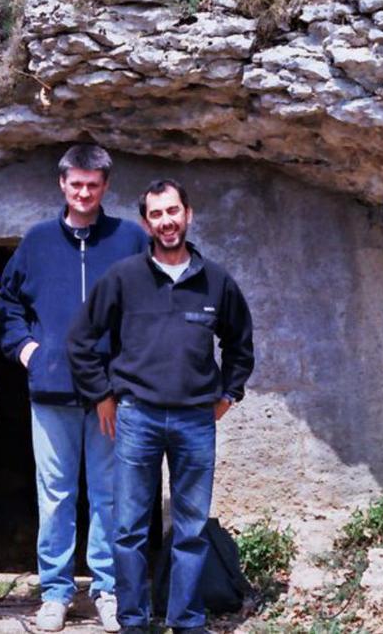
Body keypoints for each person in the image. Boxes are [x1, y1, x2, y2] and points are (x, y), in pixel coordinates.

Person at [66, 179, 254, 634]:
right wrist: (103, 396)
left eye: (173, 211)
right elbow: (81, 342)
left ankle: (186, 620)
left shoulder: (216, 281)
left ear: (187, 214)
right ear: (146, 222)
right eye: (156, 214)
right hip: (138, 418)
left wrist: (228, 395)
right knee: (129, 529)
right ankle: (133, 621)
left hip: (195, 421)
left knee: (190, 530)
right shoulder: (124, 277)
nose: (166, 222)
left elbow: (240, 346)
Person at [0, 145, 147, 632]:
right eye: (76, 184)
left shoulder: (128, 238)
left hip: (110, 395)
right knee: (56, 495)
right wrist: (26, 350)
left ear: (106, 186)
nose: (84, 193)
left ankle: (106, 590)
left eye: (93, 185)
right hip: (52, 393)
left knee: (108, 495)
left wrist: (130, 368)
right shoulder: (38, 240)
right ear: (62, 184)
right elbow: (8, 302)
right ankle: (56, 593)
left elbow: (150, 303)